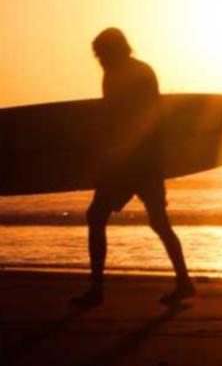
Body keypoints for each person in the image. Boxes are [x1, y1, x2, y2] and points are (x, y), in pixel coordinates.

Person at [72, 28, 195, 307]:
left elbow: (148, 118)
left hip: (139, 162)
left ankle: (97, 290)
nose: (99, 59)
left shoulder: (138, 73)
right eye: (97, 55)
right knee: (147, 221)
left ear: (116, 50)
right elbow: (112, 117)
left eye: (102, 54)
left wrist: (119, 151)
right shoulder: (113, 73)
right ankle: (183, 282)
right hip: (134, 162)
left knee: (107, 217)